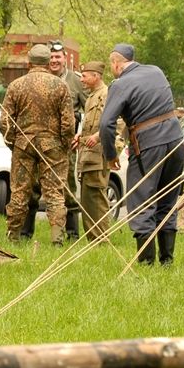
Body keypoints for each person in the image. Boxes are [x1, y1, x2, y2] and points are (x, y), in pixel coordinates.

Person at [98, 43, 184, 265]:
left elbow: (106, 124)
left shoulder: (120, 84)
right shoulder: (156, 71)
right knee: (167, 199)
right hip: (176, 141)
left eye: (111, 64)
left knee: (142, 201)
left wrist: (110, 156)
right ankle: (167, 261)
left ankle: (146, 263)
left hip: (148, 146)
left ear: (116, 63)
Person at [0, 44, 75, 244]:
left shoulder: (16, 85)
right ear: (49, 62)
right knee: (55, 193)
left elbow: (4, 122)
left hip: (23, 145)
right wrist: (65, 145)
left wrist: (13, 144)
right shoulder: (60, 86)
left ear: (29, 62)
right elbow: (68, 123)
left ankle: (13, 237)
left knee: (19, 192)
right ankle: (57, 239)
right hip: (53, 146)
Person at [48, 40, 87, 239]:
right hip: (45, 143)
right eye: (51, 57)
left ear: (65, 58)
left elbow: (90, 110)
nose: (54, 61)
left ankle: (72, 233)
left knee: (69, 186)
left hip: (68, 144)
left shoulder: (76, 81)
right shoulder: (42, 78)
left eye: (58, 57)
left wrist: (82, 135)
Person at [73, 61, 114, 241]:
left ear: (96, 76)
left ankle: (102, 239)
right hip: (88, 156)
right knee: (88, 200)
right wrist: (79, 135)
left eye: (84, 76)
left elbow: (116, 122)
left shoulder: (107, 95)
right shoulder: (91, 97)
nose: (81, 80)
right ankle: (93, 239)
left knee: (97, 198)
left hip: (99, 155)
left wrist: (98, 137)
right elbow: (92, 123)